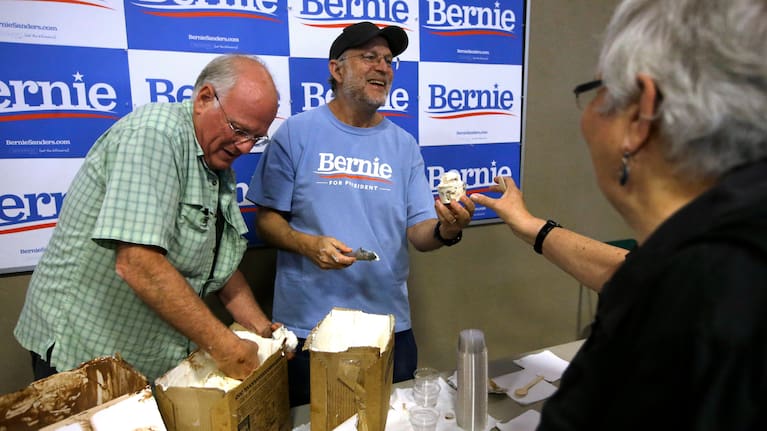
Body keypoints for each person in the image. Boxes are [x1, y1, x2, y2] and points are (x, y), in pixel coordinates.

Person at [472, 0, 767, 428]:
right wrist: (532, 226)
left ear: (641, 114)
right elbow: (630, 272)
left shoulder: (682, 304)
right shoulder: (722, 250)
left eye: (597, 91)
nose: (588, 115)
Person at [247, 21, 475, 406]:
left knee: (394, 421)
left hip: (388, 327)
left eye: (388, 60)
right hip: (310, 329)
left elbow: (420, 232)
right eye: (369, 57)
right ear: (337, 70)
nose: (383, 67)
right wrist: (307, 244)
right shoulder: (296, 133)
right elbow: (266, 221)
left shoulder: (403, 145)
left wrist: (447, 230)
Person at [14, 54, 281, 383]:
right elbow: (138, 263)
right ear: (204, 98)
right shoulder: (155, 135)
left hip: (146, 356)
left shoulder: (215, 158)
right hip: (85, 350)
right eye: (239, 130)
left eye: (256, 137)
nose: (245, 147)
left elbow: (217, 265)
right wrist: (226, 348)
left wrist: (262, 330)